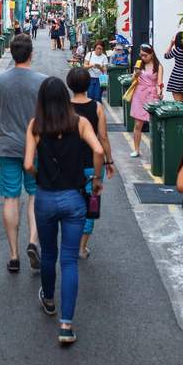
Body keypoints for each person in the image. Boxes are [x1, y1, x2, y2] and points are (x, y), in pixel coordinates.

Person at [24, 77, 105, 345]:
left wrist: (39, 174)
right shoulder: (80, 123)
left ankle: (48, 299)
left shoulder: (36, 125)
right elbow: (98, 149)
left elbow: (27, 164)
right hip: (74, 199)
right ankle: (66, 326)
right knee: (69, 260)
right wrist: (95, 180)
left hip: (46, 197)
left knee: (49, 254)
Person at [0, 34, 46, 273]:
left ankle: (13, 255)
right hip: (36, 148)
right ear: (31, 54)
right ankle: (32, 241)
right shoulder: (42, 82)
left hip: (8, 147)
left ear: (11, 52)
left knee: (10, 198)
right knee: (35, 195)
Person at [66, 67, 115, 260]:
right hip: (91, 163)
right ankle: (82, 247)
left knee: (69, 202)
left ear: (69, 84)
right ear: (88, 85)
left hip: (68, 163)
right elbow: (102, 137)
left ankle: (69, 242)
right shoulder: (96, 107)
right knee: (91, 203)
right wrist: (109, 161)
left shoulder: (64, 107)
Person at [128, 43, 163, 158]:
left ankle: (156, 151)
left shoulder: (158, 66)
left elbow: (159, 83)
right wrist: (136, 74)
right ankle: (136, 149)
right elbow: (132, 78)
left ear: (151, 54)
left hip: (152, 95)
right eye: (141, 55)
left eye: (145, 55)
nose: (143, 57)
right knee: (138, 124)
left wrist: (160, 92)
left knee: (154, 125)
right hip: (139, 95)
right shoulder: (139, 64)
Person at [164, 31, 183, 103]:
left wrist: (171, 44)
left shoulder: (177, 51)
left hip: (177, 76)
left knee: (178, 103)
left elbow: (166, 56)